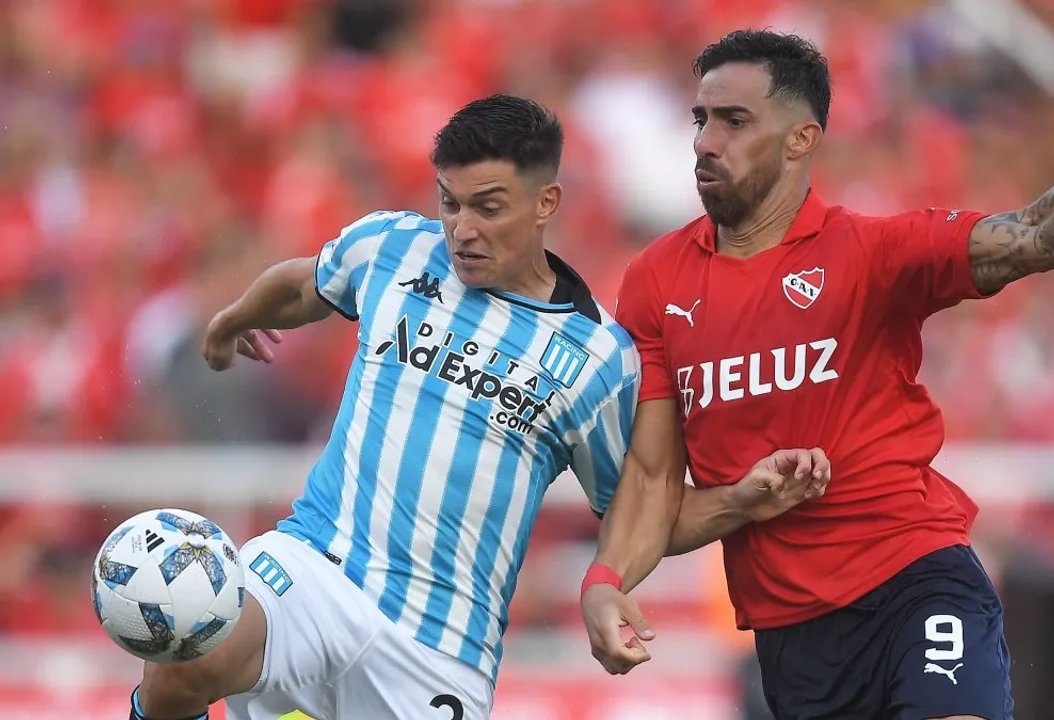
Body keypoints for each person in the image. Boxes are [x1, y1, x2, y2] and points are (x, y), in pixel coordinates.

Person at [579, 29, 1054, 720]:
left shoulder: (871, 253)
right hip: (792, 637)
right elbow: (652, 480)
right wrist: (605, 579)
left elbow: (1035, 235)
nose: (706, 142)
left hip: (915, 577)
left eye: (734, 121)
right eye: (701, 119)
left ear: (800, 140)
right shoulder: (656, 281)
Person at [128, 94, 830, 720]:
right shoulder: (393, 248)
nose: (462, 228)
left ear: (545, 203)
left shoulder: (598, 359)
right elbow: (306, 284)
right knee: (190, 659)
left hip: (440, 646)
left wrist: (738, 501)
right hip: (319, 564)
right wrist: (233, 318)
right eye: (450, 203)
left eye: (487, 208)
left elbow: (641, 514)